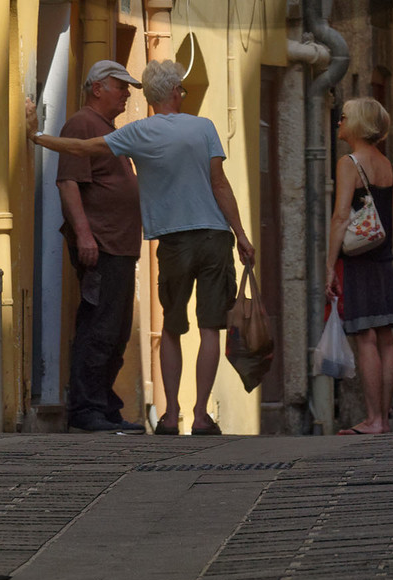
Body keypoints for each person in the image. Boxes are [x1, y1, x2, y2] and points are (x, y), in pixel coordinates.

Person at [27, 58, 254, 436]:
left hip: (159, 241)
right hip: (187, 238)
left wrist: (38, 138)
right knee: (198, 328)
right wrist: (241, 234)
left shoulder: (135, 132)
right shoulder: (200, 127)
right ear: (176, 92)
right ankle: (189, 415)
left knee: (153, 329)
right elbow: (219, 184)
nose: (126, 95)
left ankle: (156, 413)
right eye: (120, 87)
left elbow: (82, 150)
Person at [53, 58, 146, 433]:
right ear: (97, 88)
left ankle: (104, 404)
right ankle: (86, 408)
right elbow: (68, 183)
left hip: (118, 245)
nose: (126, 95)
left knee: (116, 330)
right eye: (120, 87)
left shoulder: (107, 130)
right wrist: (85, 234)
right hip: (102, 244)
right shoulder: (82, 125)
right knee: (99, 327)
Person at [324, 96, 393, 435]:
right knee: (386, 338)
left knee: (365, 337)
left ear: (358, 123)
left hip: (359, 258)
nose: (339, 122)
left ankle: (374, 419)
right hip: (383, 256)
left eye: (343, 117)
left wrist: (330, 265)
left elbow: (341, 216)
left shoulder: (349, 163)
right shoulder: (385, 163)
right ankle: (384, 417)